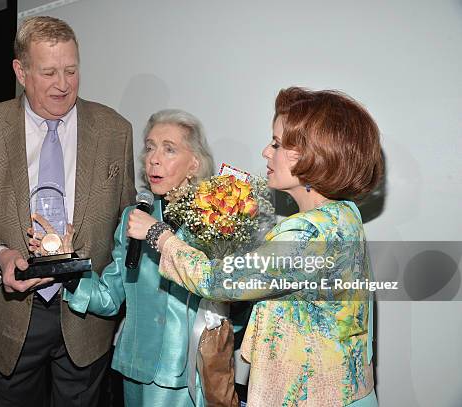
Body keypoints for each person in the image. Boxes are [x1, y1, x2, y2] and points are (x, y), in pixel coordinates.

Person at [127, 87, 383, 406]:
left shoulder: (307, 233)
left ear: (312, 157)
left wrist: (159, 236)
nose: (266, 151)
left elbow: (217, 281)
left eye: (276, 144)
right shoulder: (343, 215)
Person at [0, 16, 135, 407]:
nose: (63, 84)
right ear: (20, 71)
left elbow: (125, 223)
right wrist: (1, 257)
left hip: (88, 318)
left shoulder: (115, 130)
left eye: (71, 70)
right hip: (9, 319)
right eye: (48, 72)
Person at [48, 109, 214, 406]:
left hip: (187, 373)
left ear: (194, 164)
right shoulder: (133, 217)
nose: (153, 158)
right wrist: (68, 266)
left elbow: (227, 296)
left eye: (169, 149)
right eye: (150, 147)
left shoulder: (215, 220)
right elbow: (110, 297)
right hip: (134, 365)